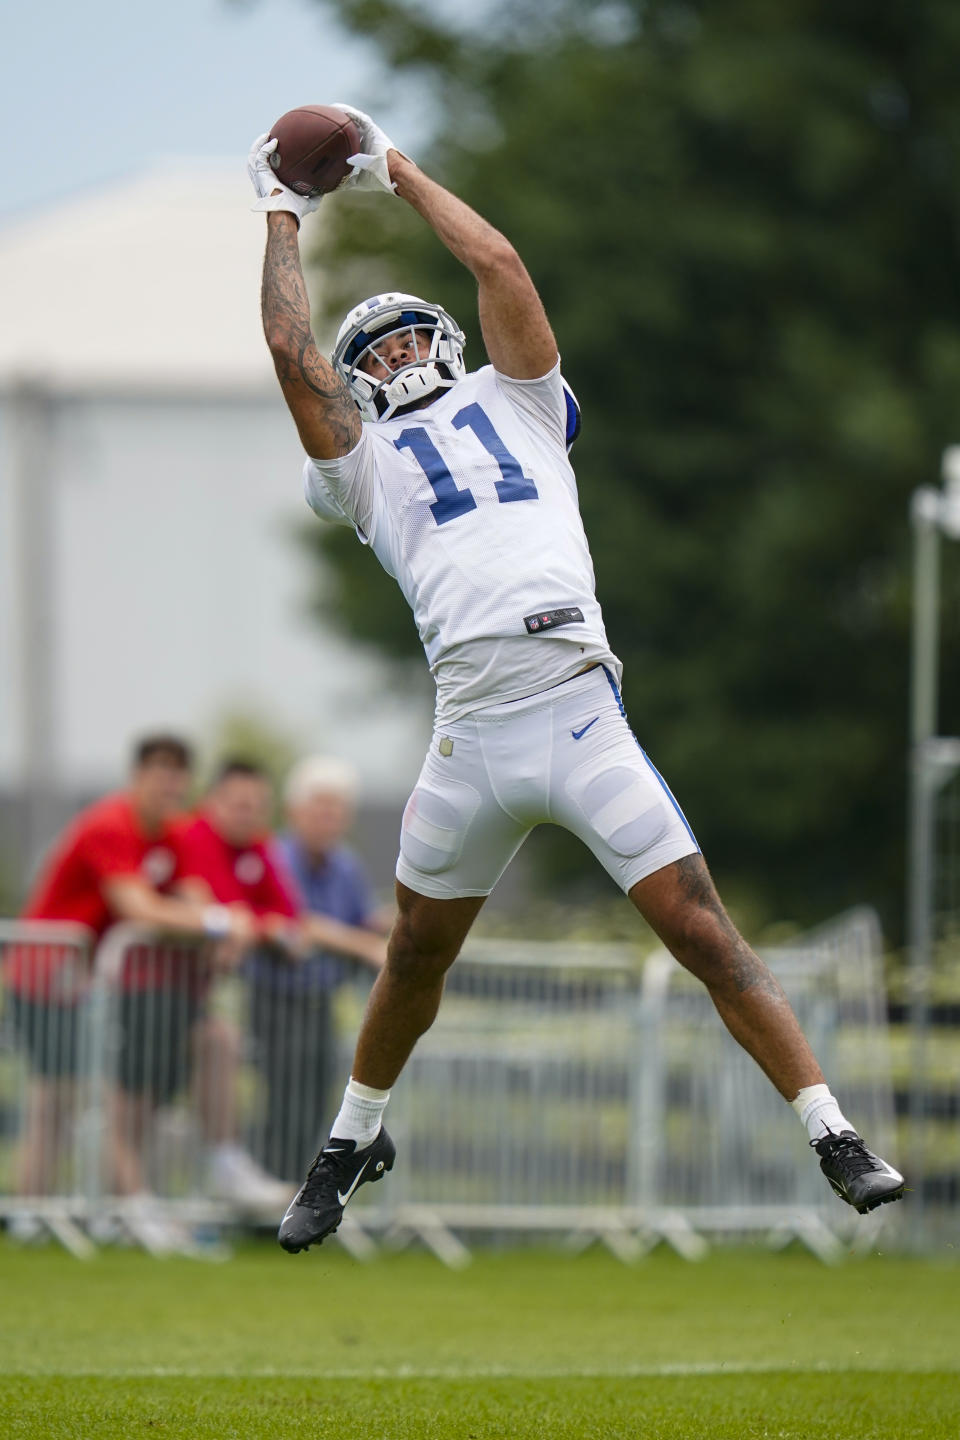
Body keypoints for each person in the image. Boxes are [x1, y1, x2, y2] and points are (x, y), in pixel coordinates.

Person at [247, 106, 905, 1254]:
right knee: (415, 954)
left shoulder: (526, 404)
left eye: (412, 335)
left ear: (447, 343)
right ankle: (353, 1138)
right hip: (473, 730)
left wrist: (393, 166)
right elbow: (293, 358)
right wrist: (281, 212)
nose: (397, 354)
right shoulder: (359, 471)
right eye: (377, 351)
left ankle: (831, 1129)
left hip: (576, 706)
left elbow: (497, 262)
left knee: (698, 928)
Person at [5, 734, 255, 1200]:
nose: (170, 787)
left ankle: (78, 1209)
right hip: (44, 977)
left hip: (85, 983)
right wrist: (220, 923)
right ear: (138, 776)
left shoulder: (173, 831)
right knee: (59, 1101)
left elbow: (193, 894)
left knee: (81, 1100)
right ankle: (45, 1213)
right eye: (161, 775)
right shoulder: (109, 824)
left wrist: (217, 923)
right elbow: (138, 907)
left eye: (178, 777)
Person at [247, 755, 387, 1181]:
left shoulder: (346, 864)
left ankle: (293, 1192)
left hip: (320, 1001)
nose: (328, 817)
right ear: (295, 810)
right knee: (281, 1101)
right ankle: (268, 1192)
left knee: (315, 1101)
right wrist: (363, 945)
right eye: (319, 806)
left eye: (336, 807)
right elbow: (299, 921)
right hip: (276, 998)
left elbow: (365, 919)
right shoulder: (275, 856)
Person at [176, 758, 307, 1203]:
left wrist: (253, 926)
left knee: (216, 1052)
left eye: (257, 805)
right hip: (143, 989)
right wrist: (251, 925)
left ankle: (213, 1178)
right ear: (212, 801)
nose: (248, 813)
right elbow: (214, 910)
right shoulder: (191, 836)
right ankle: (126, 1205)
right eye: (238, 803)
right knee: (123, 1103)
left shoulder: (259, 846)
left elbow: (288, 919)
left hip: (192, 996)